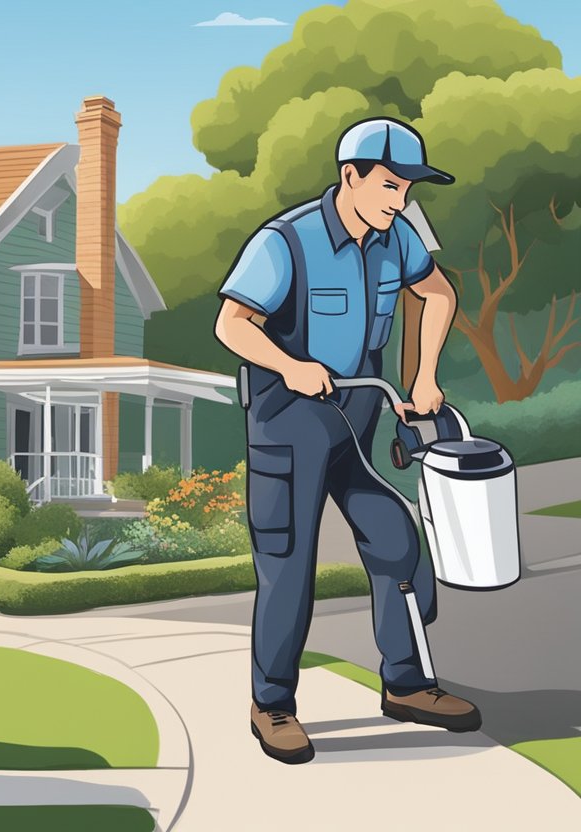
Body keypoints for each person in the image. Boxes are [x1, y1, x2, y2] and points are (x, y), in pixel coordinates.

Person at [213, 117, 482, 765]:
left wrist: (422, 374)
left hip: (355, 418)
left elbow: (437, 292)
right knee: (289, 566)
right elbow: (231, 324)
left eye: (409, 190)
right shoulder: (286, 243)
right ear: (351, 177)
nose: (400, 201)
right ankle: (271, 703)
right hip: (287, 421)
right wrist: (288, 364)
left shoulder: (397, 239)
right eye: (390, 185)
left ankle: (407, 685)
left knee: (396, 541)